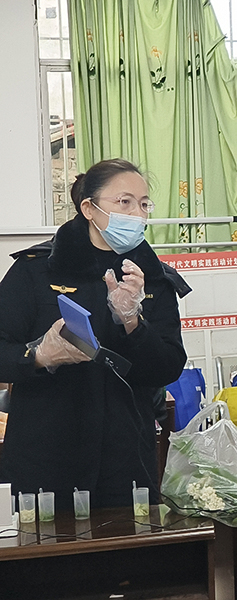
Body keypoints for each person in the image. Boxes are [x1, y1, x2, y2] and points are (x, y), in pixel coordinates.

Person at [0, 159, 189, 509]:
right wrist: (39, 355)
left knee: (131, 543)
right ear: (89, 208)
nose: (137, 214)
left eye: (143, 204)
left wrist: (133, 322)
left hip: (125, 459)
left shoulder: (152, 279)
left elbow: (168, 367)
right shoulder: (36, 270)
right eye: (124, 202)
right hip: (45, 457)